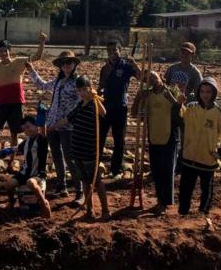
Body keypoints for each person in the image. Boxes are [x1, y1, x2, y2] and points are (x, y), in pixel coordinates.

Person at [0, 33, 46, 169]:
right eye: (1, 51)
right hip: (2, 102)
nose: (4, 53)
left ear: (9, 51)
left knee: (14, 132)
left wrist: (42, 42)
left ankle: (11, 161)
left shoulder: (19, 62)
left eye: (6, 50)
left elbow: (37, 57)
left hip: (16, 102)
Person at [178, 77, 221, 230]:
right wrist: (177, 102)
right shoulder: (191, 107)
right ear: (198, 92)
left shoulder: (218, 112)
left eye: (208, 92)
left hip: (207, 158)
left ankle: (204, 212)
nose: (205, 95)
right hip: (189, 156)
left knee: (206, 188)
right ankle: (183, 212)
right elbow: (178, 118)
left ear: (214, 93)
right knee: (185, 187)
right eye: (202, 91)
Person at [27, 51, 82, 202]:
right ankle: (62, 186)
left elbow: (80, 105)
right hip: (52, 125)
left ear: (74, 64)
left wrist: (67, 120)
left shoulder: (77, 82)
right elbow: (42, 85)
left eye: (69, 62)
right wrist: (31, 70)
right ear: (60, 66)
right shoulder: (58, 81)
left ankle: (79, 192)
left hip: (68, 126)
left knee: (70, 158)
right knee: (57, 156)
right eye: (63, 63)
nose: (66, 65)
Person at [52, 76, 109, 220]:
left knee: (97, 180)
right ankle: (90, 210)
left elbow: (104, 113)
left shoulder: (94, 104)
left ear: (90, 88)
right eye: (80, 90)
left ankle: (105, 211)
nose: (82, 93)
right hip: (77, 149)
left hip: (90, 150)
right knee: (85, 181)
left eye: (85, 89)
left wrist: (95, 97)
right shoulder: (79, 105)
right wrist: (52, 127)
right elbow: (67, 119)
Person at [132, 71, 184, 215]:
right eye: (148, 79)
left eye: (154, 76)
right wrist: (138, 98)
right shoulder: (147, 95)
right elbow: (134, 114)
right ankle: (160, 200)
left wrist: (172, 99)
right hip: (154, 137)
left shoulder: (172, 90)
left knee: (167, 171)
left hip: (170, 137)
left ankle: (165, 203)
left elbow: (182, 113)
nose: (152, 80)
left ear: (160, 76)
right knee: (156, 171)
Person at [98, 41, 140, 177]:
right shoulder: (105, 68)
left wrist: (134, 63)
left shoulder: (126, 66)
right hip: (105, 108)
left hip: (120, 108)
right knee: (100, 138)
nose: (112, 52)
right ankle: (96, 168)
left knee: (119, 141)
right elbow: (101, 86)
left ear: (120, 50)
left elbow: (140, 77)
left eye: (114, 49)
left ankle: (116, 170)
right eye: (109, 50)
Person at [4, 116, 51, 218]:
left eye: (28, 126)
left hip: (38, 173)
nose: (26, 130)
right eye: (24, 128)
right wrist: (7, 151)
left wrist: (42, 124)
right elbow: (17, 148)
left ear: (36, 126)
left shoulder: (42, 139)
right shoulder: (27, 141)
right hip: (24, 173)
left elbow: (45, 135)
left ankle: (44, 204)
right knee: (9, 185)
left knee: (31, 183)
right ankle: (11, 202)